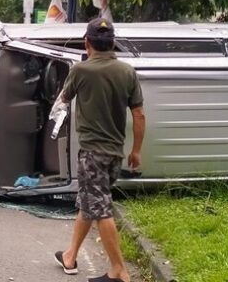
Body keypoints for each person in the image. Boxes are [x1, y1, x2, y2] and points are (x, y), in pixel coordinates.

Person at [52, 18, 145, 282]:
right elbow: (139, 115)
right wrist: (136, 151)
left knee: (101, 208)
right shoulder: (127, 72)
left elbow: (62, 100)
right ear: (113, 43)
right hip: (115, 153)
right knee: (90, 201)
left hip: (92, 152)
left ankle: (119, 271)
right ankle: (70, 256)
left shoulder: (80, 70)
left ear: (87, 42)